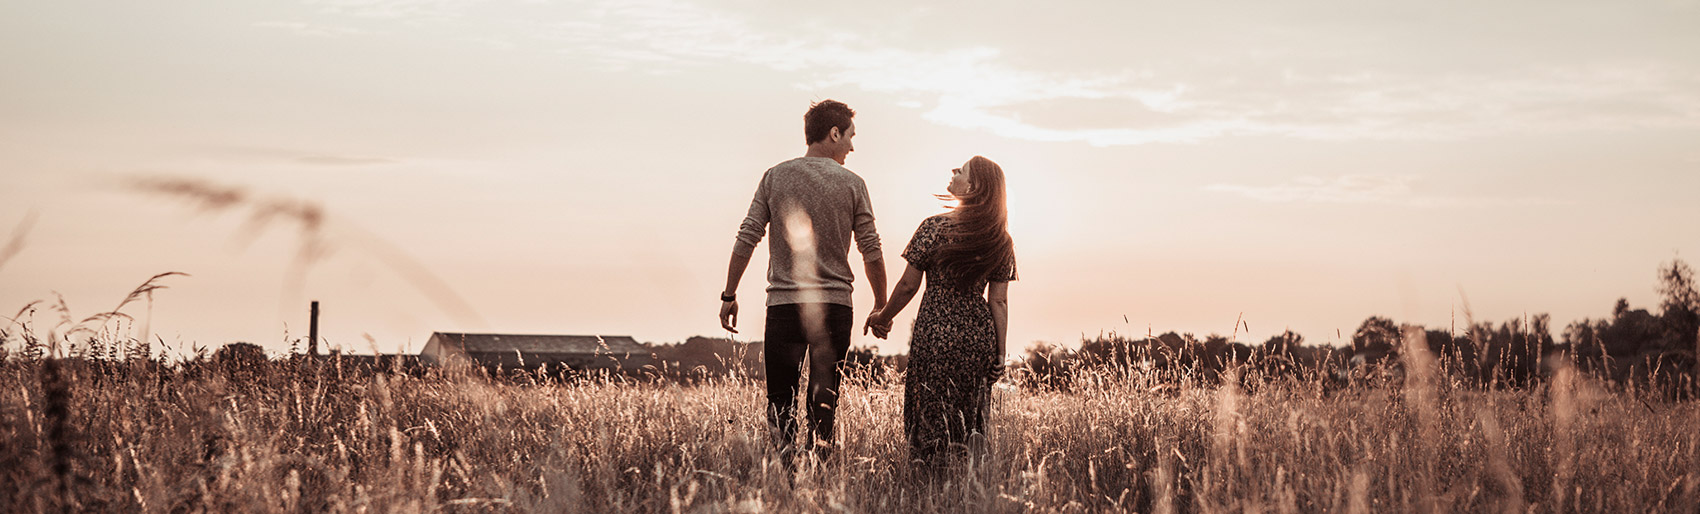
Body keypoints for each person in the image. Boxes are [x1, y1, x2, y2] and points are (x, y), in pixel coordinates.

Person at [719, 99, 888, 459]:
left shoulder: (775, 176)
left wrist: (729, 294)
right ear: (834, 133)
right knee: (824, 399)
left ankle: (785, 479)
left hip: (783, 306)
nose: (852, 147)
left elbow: (748, 234)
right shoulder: (853, 183)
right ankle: (821, 480)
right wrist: (880, 303)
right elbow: (870, 248)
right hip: (834, 306)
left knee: (780, 399)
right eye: (851, 137)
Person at [865, 155, 1016, 473]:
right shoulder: (999, 239)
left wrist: (883, 316)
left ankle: (928, 474)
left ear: (973, 186)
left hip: (936, 332)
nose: (953, 172)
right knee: (969, 413)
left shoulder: (933, 227)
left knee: (931, 405)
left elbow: (908, 285)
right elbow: (998, 301)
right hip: (978, 336)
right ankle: (965, 478)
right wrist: (1000, 352)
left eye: (961, 170)